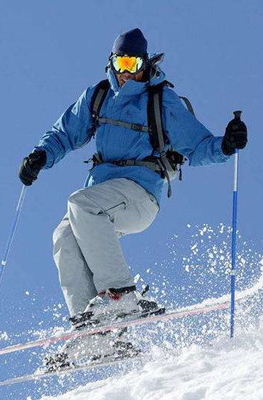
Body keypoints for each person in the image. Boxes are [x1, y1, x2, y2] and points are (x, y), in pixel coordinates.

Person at [19, 28, 247, 367]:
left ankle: (121, 296)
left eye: (134, 64)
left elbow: (198, 147)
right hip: (103, 198)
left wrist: (226, 145)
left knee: (81, 203)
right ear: (112, 62)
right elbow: (64, 133)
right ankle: (94, 334)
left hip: (140, 195)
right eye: (121, 64)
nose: (127, 72)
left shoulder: (160, 100)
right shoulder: (98, 96)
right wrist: (41, 155)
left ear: (146, 63)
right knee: (64, 236)